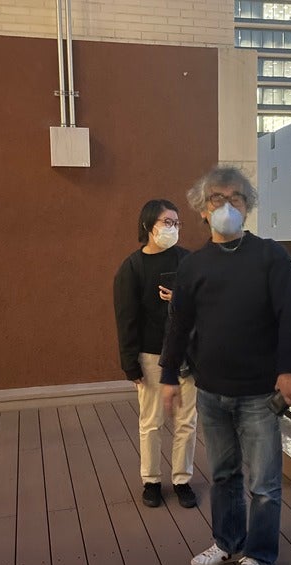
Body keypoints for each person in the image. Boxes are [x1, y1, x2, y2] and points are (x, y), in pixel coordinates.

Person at [159, 166, 291, 565]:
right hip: (211, 390)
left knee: (264, 485)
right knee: (223, 476)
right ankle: (228, 542)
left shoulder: (271, 256)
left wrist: (289, 370)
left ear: (248, 205)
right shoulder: (194, 265)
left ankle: (259, 557)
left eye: (236, 198)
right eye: (217, 199)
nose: (227, 206)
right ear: (203, 209)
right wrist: (168, 376)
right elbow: (179, 323)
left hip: (260, 393)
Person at [113, 199, 198, 509]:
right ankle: (151, 480)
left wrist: (180, 299)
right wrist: (129, 363)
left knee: (187, 421)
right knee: (151, 421)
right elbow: (126, 319)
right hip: (150, 356)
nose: (173, 228)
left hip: (187, 355)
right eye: (166, 222)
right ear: (148, 225)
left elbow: (207, 302)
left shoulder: (189, 261)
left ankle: (182, 480)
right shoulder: (132, 268)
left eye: (176, 222)